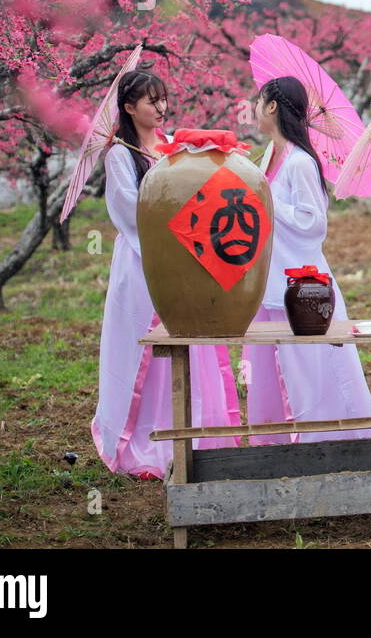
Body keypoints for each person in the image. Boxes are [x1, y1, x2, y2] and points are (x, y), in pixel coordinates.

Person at [91, 69, 241, 479]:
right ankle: (144, 438)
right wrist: (171, 221)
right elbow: (128, 209)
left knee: (189, 338)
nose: (160, 109)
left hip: (186, 255)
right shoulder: (120, 153)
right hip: (144, 260)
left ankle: (196, 432)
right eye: (149, 102)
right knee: (148, 345)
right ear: (128, 107)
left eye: (163, 100)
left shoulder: (174, 145)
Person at [241, 76, 371, 444]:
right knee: (273, 368)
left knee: (311, 369)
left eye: (259, 101)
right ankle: (274, 445)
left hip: (302, 286)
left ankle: (327, 442)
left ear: (272, 106)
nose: (254, 107)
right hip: (269, 281)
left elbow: (313, 223)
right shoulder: (271, 155)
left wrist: (265, 199)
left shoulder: (300, 162)